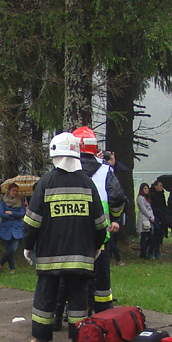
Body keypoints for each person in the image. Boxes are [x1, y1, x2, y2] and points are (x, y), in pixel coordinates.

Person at [23, 132, 108, 342]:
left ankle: (40, 339)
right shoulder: (87, 183)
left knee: (45, 296)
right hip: (80, 256)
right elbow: (100, 223)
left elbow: (32, 220)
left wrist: (27, 245)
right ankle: (79, 340)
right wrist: (97, 245)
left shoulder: (46, 183)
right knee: (79, 300)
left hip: (49, 256)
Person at [72, 126, 127, 314]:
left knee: (74, 274)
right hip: (101, 233)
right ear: (95, 149)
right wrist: (116, 217)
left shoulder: (64, 171)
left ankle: (74, 309)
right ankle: (103, 310)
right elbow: (118, 197)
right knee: (101, 272)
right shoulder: (105, 172)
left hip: (72, 235)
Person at [0, 182, 26, 273]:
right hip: (5, 228)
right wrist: (14, 216)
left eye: (16, 191)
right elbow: (2, 214)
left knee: (13, 249)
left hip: (17, 228)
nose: (15, 192)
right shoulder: (3, 202)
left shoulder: (20, 202)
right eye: (13, 190)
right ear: (9, 191)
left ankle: (1, 262)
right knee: (8, 248)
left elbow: (22, 213)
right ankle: (12, 268)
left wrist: (11, 213)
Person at [148, 179, 169, 259]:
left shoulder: (161, 194)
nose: (161, 187)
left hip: (161, 217)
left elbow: (163, 205)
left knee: (160, 235)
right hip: (155, 216)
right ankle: (151, 251)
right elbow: (152, 205)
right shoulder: (152, 194)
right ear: (156, 186)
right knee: (154, 235)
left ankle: (157, 251)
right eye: (160, 186)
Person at [136, 183, 155, 260]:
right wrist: (150, 217)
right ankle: (143, 253)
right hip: (144, 220)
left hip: (149, 220)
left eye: (147, 188)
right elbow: (144, 209)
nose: (146, 190)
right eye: (145, 188)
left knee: (151, 237)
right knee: (144, 237)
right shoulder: (140, 198)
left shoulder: (146, 198)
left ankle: (144, 251)